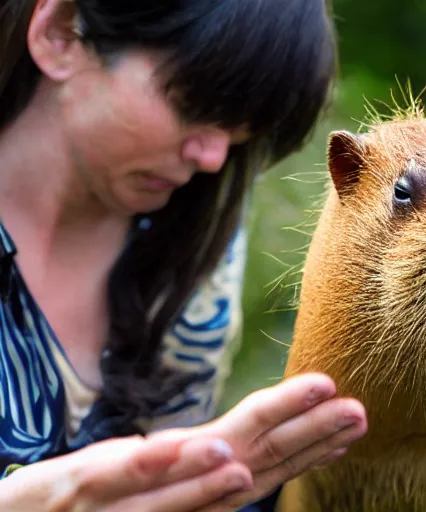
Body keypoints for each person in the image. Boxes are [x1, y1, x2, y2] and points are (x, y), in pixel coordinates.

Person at [0, 0, 368, 510]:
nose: (213, 158)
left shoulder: (200, 257)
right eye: (192, 106)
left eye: (240, 133)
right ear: (61, 33)